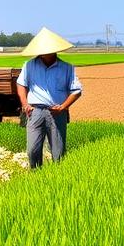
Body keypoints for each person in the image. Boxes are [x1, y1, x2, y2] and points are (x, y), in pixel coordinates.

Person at [17, 27, 82, 168]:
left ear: (54, 50)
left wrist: (64, 107)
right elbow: (21, 85)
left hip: (57, 112)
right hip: (35, 112)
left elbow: (77, 91)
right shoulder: (29, 65)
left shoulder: (67, 68)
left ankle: (57, 179)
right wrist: (25, 104)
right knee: (32, 151)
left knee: (58, 153)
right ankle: (36, 177)